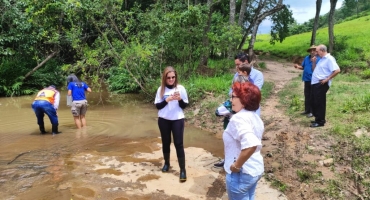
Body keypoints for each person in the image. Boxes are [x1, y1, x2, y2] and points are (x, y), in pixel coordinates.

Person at [224, 82, 264, 199]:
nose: (231, 100)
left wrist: (236, 166)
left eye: (233, 97)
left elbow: (251, 144)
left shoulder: (238, 119)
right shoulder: (255, 117)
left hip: (241, 173)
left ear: (243, 99)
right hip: (255, 170)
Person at [154, 66, 189, 182]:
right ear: (165, 78)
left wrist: (179, 99)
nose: (171, 79)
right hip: (164, 119)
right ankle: (167, 163)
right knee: (166, 142)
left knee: (179, 143)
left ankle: (182, 170)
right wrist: (167, 100)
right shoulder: (161, 89)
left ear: (176, 77)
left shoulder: (181, 88)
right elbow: (157, 106)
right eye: (168, 77)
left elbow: (184, 106)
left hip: (177, 119)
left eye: (173, 77)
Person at [310, 44, 341, 127]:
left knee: (320, 103)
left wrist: (327, 79)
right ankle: (317, 119)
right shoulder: (321, 59)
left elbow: (337, 70)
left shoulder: (329, 59)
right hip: (315, 83)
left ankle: (320, 122)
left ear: (322, 50)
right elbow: (314, 70)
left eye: (317, 51)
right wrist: (313, 62)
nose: (316, 53)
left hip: (321, 84)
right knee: (315, 102)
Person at [294, 45, 321, 118]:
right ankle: (307, 110)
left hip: (314, 80)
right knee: (307, 95)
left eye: (313, 50)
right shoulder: (306, 58)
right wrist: (298, 66)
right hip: (306, 79)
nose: (312, 52)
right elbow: (303, 67)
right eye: (310, 50)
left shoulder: (318, 59)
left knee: (313, 96)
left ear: (316, 51)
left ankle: (312, 112)